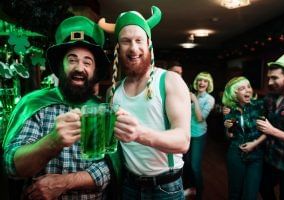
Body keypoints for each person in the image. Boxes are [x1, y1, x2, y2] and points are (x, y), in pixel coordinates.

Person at [2, 16, 121, 199]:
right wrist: (53, 141)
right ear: (60, 65)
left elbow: (109, 167)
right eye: (72, 60)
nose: (79, 68)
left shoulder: (101, 110)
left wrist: (65, 182)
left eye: (87, 62)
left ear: (94, 71)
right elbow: (11, 166)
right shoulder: (34, 104)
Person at [99, 6, 191, 200]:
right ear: (117, 47)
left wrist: (139, 134)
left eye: (139, 40)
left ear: (148, 43)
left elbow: (183, 141)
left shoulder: (169, 81)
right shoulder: (112, 92)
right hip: (129, 187)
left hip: (166, 189)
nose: (133, 48)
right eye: (126, 41)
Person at [256, 54, 284, 200]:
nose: (269, 82)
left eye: (274, 77)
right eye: (269, 77)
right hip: (270, 159)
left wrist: (272, 131)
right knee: (262, 186)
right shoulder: (271, 97)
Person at [222, 76, 266, 200]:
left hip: (256, 155)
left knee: (250, 195)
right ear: (234, 93)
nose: (248, 90)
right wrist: (227, 128)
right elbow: (229, 136)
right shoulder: (229, 110)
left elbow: (268, 130)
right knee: (234, 193)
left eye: (249, 86)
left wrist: (254, 144)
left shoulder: (260, 105)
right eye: (242, 88)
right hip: (235, 152)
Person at [184, 72, 215, 199]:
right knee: (186, 163)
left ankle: (199, 190)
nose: (202, 83)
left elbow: (200, 118)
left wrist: (195, 100)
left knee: (195, 166)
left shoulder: (210, 99)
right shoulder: (192, 95)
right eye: (200, 80)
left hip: (199, 134)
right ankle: (190, 187)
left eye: (205, 81)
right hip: (186, 133)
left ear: (208, 84)